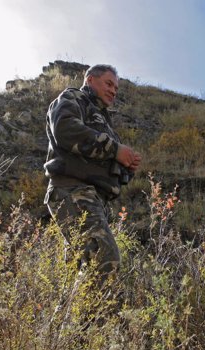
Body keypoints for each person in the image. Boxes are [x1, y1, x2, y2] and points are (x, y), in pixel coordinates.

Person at [44, 64, 141, 281]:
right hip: (73, 191)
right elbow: (65, 130)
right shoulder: (72, 98)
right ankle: (97, 317)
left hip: (95, 200)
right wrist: (116, 150)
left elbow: (108, 168)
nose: (113, 91)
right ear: (90, 80)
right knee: (104, 260)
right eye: (108, 84)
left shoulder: (104, 121)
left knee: (81, 274)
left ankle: (71, 315)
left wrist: (127, 167)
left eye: (116, 87)